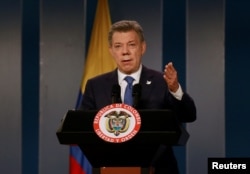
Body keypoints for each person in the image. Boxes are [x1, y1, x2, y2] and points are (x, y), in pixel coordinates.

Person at [80, 20, 196, 174]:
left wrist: (175, 89)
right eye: (118, 46)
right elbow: (83, 129)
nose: (125, 51)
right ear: (111, 51)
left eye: (131, 45)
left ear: (142, 48)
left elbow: (188, 115)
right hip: (109, 168)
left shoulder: (162, 82)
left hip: (159, 168)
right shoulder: (96, 85)